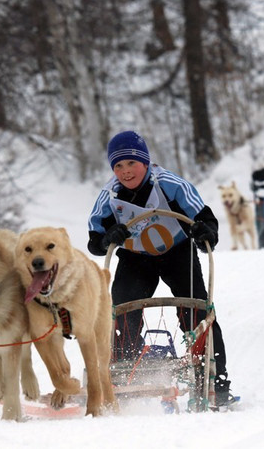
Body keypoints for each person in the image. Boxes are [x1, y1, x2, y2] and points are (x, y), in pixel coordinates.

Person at [87, 130, 234, 406]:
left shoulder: (169, 184)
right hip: (135, 258)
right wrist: (109, 238)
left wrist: (205, 234)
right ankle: (122, 375)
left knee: (197, 311)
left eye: (131, 163)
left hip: (177, 253)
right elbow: (95, 242)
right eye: (118, 166)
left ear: (145, 162)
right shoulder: (109, 196)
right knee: (121, 312)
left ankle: (216, 380)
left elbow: (206, 220)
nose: (125, 172)